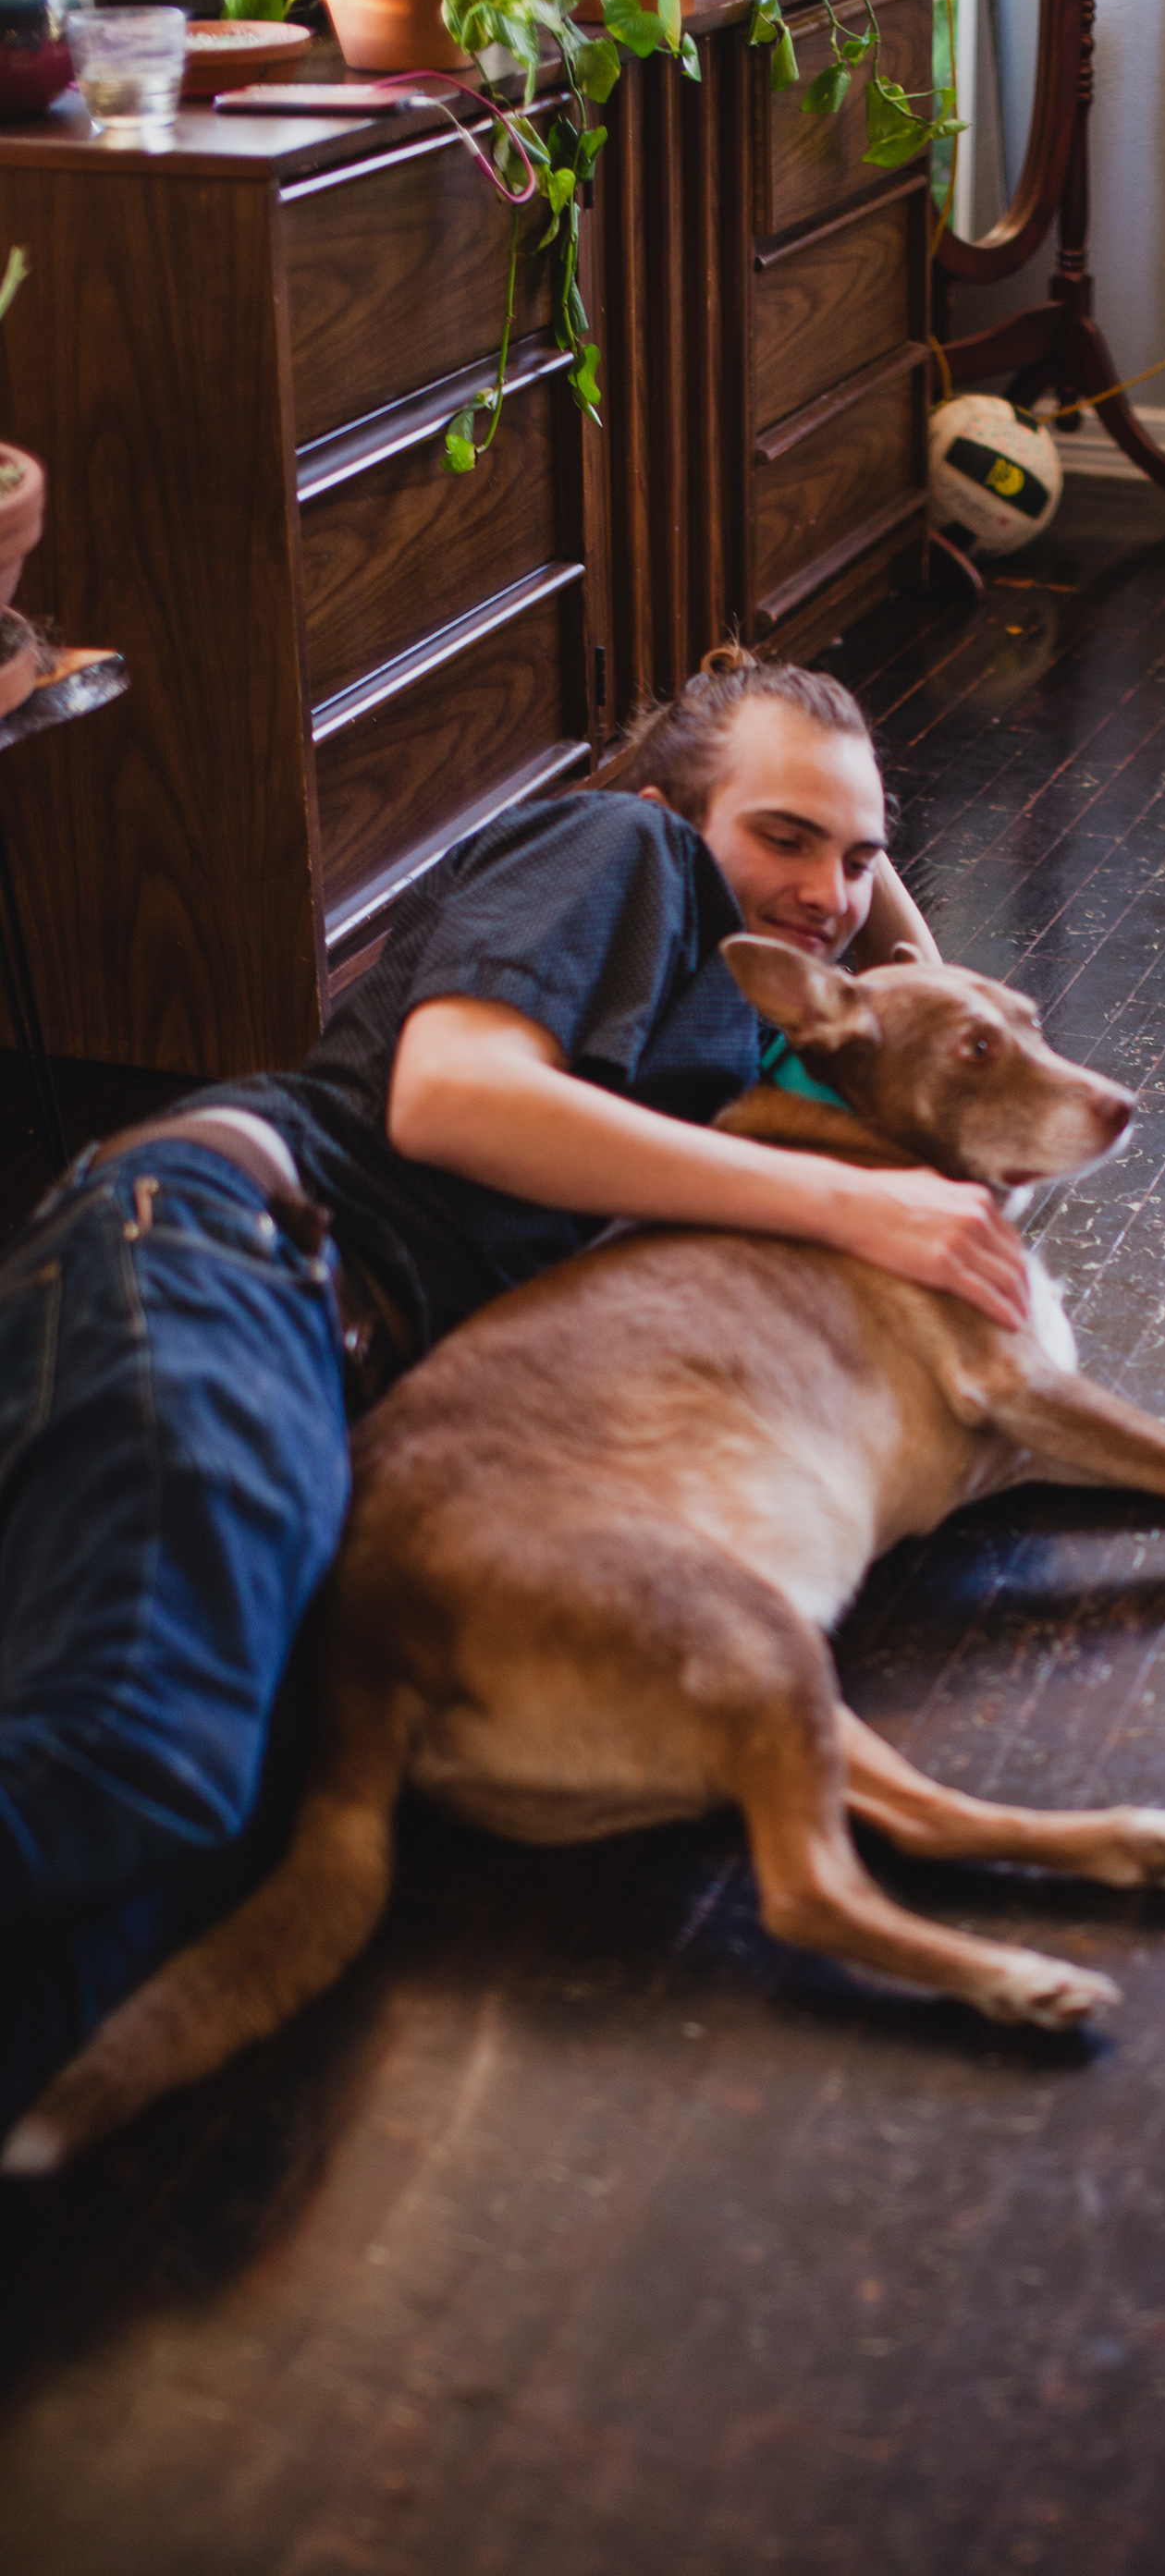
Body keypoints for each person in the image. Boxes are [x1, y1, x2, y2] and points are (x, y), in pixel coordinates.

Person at [0, 651, 1032, 2133]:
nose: (826, 889)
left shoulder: (750, 1002)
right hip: (229, 1260)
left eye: (860, 855)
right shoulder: (622, 846)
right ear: (676, 806)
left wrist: (848, 890)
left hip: (319, 1359)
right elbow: (454, 1099)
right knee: (139, 1753)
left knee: (160, 1901)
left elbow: (910, 986)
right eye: (784, 835)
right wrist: (850, 1203)